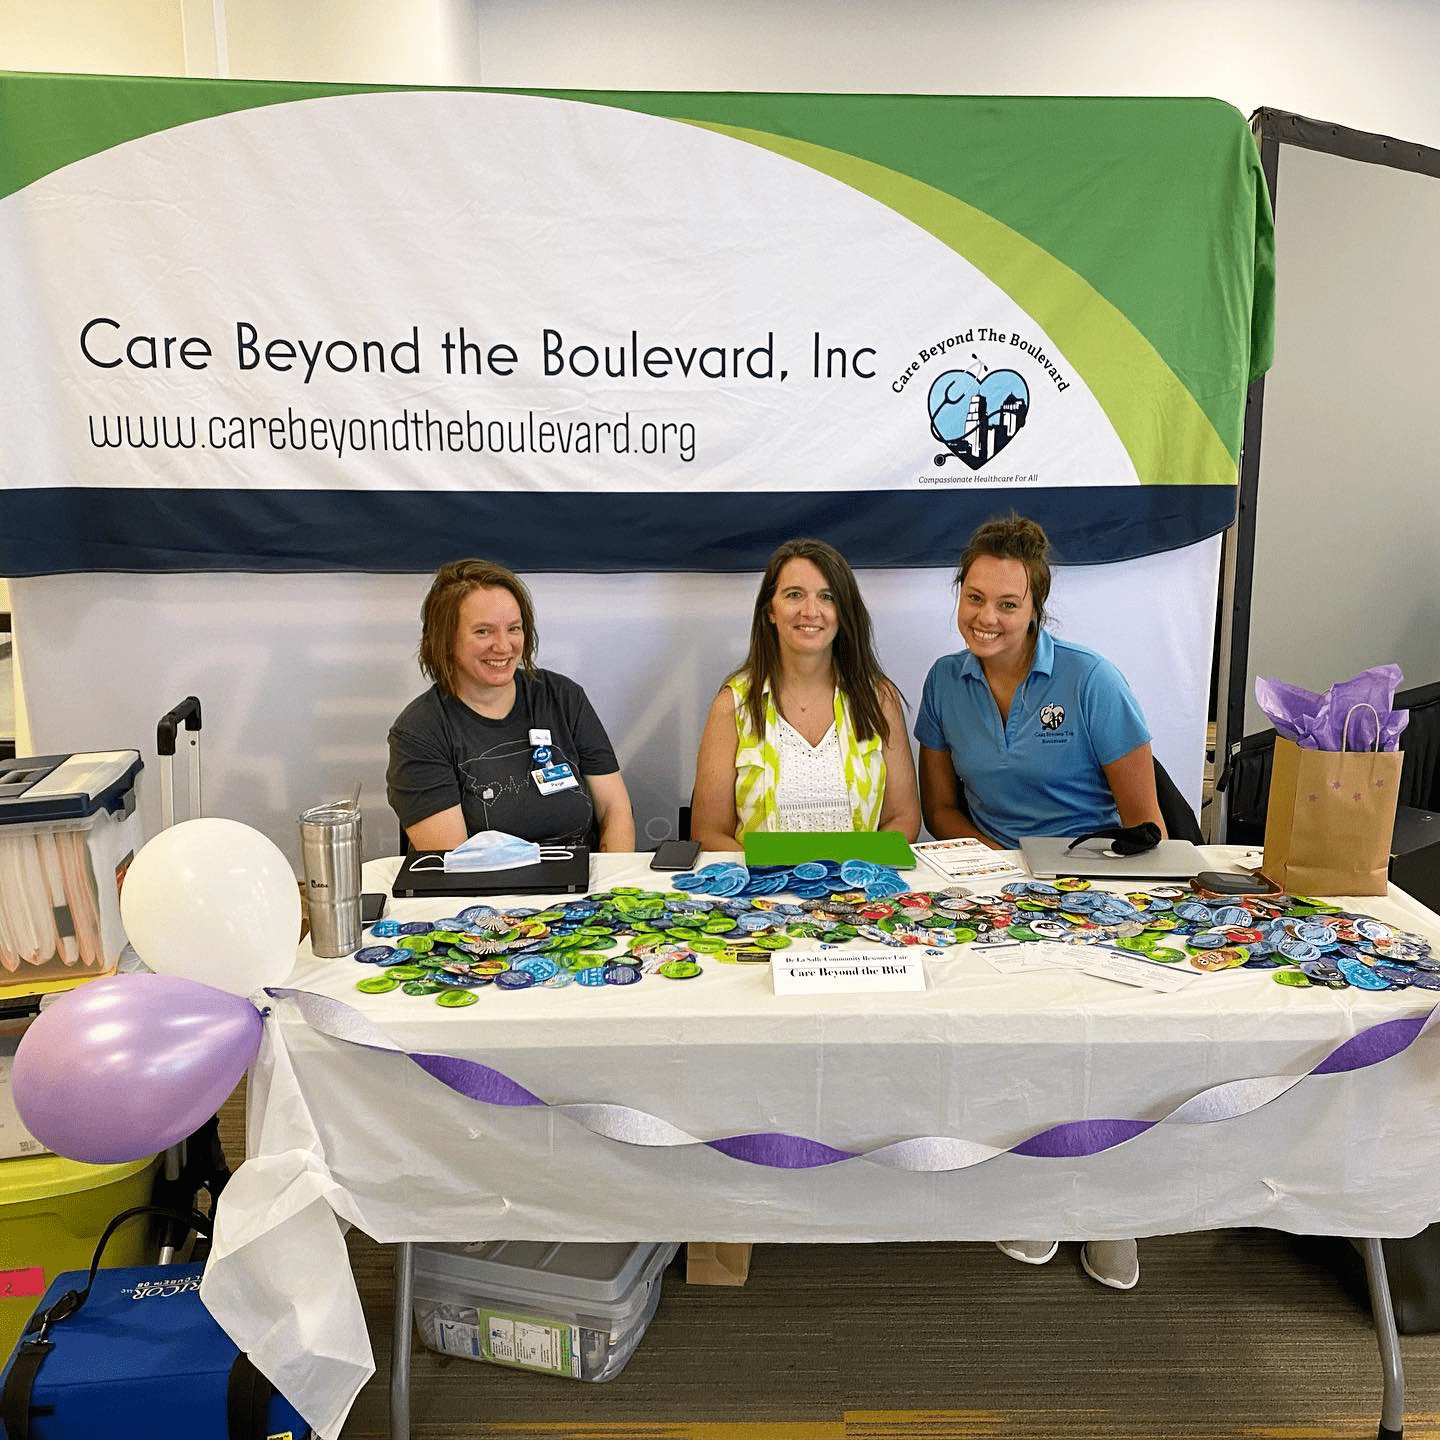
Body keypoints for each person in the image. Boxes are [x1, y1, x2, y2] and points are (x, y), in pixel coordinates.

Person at [914, 514, 1161, 1291]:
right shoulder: (941, 682)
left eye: (1008, 604)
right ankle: (1032, 1189)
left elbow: (1144, 827)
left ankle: (1107, 1207)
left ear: (1036, 607)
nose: (986, 617)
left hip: (1088, 888)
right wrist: (998, 872)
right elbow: (940, 811)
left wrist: (1066, 886)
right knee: (1007, 1038)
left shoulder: (1092, 681)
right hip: (988, 886)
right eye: (974, 597)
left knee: (1093, 1040)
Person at [387, 558, 635, 852]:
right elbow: (453, 863)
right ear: (445, 639)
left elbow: (615, 810)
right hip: (483, 895)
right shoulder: (419, 731)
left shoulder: (563, 696)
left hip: (582, 893)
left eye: (514, 629)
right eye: (483, 631)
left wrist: (609, 890)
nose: (504, 646)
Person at [690, 537, 920, 851]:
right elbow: (708, 832)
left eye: (827, 597)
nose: (810, 611)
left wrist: (846, 870)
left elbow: (903, 821)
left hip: (859, 890)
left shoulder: (879, 699)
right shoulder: (733, 705)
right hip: (762, 893)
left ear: (844, 612)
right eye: (794, 595)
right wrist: (778, 876)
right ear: (770, 610)